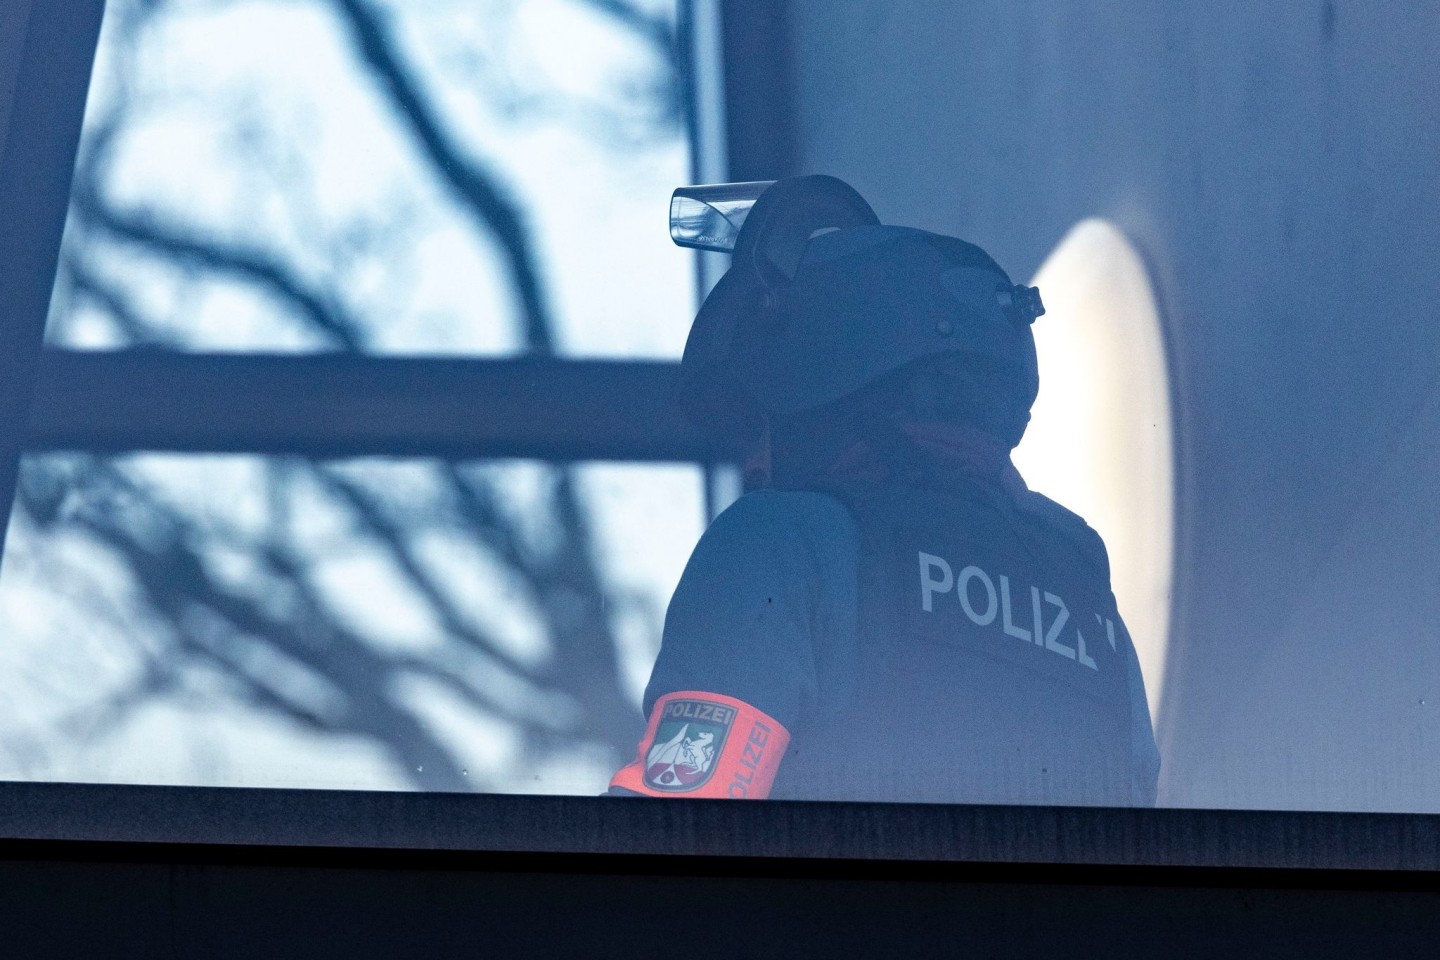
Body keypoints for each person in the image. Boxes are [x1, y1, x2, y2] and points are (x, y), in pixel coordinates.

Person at [608, 176, 1160, 805]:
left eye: (759, 431)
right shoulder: (1088, 594)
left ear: (828, 392)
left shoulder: (781, 542)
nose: (755, 469)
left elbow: (680, 829)